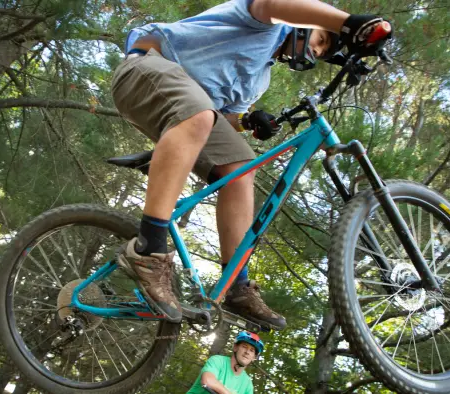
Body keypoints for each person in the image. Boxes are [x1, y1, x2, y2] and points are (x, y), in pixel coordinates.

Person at [112, 0, 391, 329]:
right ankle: (149, 249)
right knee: (200, 114)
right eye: (320, 39)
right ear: (305, 22)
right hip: (144, 68)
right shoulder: (265, 22)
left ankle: (237, 286)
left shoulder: (260, 80)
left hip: (183, 108)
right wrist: (349, 23)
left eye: (323, 52)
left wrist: (248, 121)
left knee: (240, 167)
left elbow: (223, 121)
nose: (316, 51)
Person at [187, 331, 264, 394]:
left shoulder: (247, 384)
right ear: (235, 347)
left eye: (251, 350)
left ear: (254, 357)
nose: (247, 352)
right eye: (244, 346)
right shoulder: (217, 361)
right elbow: (208, 381)